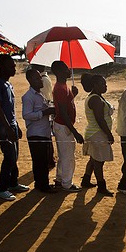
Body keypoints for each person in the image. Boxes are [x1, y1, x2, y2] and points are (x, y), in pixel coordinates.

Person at [0, 54, 28, 201]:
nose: (14, 68)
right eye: (11, 66)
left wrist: (15, 125)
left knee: (14, 155)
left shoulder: (8, 84)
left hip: (11, 124)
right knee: (9, 155)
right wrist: (8, 128)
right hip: (1, 126)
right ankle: (2, 188)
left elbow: (10, 108)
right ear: (3, 66)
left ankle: (13, 183)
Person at [50, 60, 84, 192]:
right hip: (64, 125)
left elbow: (65, 105)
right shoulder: (60, 88)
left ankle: (60, 179)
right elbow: (63, 113)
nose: (68, 71)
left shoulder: (64, 86)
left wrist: (73, 95)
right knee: (68, 156)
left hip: (63, 125)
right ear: (59, 72)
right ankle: (67, 183)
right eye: (65, 69)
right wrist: (75, 133)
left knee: (63, 155)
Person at [22, 68, 56, 193]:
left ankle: (41, 183)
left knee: (43, 160)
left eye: (40, 77)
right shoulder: (28, 96)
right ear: (30, 80)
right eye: (37, 78)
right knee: (40, 161)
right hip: (36, 133)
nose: (40, 80)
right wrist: (44, 112)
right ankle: (42, 185)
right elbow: (26, 115)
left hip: (43, 132)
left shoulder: (40, 94)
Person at [82, 74, 115, 196]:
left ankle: (86, 179)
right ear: (95, 85)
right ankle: (101, 186)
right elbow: (100, 120)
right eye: (102, 84)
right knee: (99, 161)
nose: (105, 86)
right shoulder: (95, 99)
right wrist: (109, 134)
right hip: (97, 133)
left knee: (94, 158)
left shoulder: (96, 97)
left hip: (94, 132)